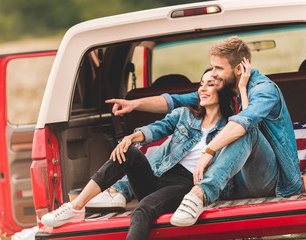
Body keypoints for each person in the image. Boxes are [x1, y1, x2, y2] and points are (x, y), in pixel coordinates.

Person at [106, 36, 303, 227]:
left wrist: (208, 152)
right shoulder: (221, 88)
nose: (213, 73)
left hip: (273, 183)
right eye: (213, 66)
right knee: (176, 139)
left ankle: (198, 195)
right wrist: (133, 103)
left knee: (244, 130)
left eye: (218, 68)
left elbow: (244, 122)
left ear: (238, 69)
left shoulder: (263, 90)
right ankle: (119, 190)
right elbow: (174, 101)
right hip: (232, 185)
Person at [40, 68, 236, 239]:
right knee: (129, 151)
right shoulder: (184, 114)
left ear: (223, 91)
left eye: (210, 84)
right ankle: (75, 207)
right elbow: (159, 127)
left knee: (142, 210)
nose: (202, 89)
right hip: (159, 176)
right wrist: (130, 138)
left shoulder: (230, 128)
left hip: (187, 187)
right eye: (201, 84)